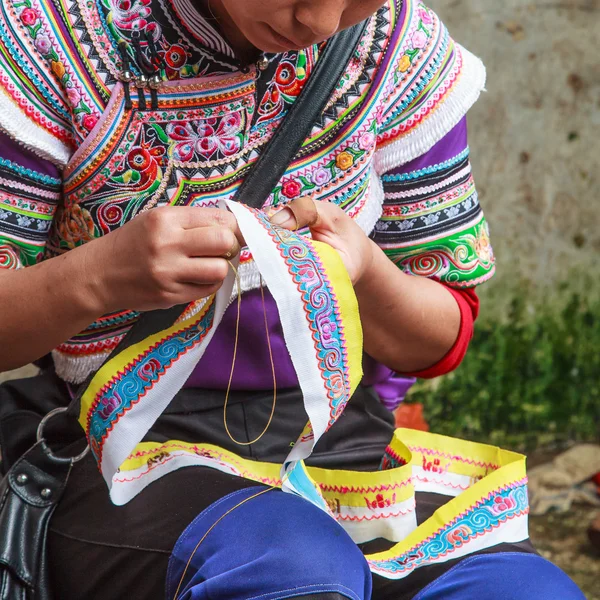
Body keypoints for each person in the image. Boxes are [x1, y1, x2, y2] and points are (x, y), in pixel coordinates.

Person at [0, 0, 585, 598]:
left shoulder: (397, 49)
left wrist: (367, 273)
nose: (323, 22)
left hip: (337, 449)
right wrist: (99, 276)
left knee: (520, 589)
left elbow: (440, 333)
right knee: (291, 571)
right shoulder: (50, 37)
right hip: (122, 450)